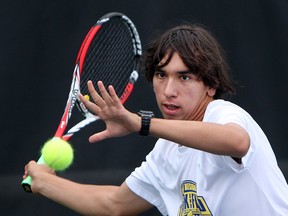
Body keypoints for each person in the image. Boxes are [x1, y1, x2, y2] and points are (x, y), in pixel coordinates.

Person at [23, 23, 288, 216]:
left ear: (210, 85)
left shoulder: (224, 114)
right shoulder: (165, 153)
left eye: (184, 77)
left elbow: (237, 142)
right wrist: (45, 183)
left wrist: (140, 123)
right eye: (161, 75)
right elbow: (114, 203)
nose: (169, 90)